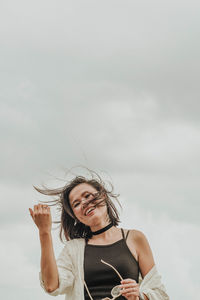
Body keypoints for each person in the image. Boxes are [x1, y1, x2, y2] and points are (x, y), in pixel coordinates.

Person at [29, 173, 170, 300]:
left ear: (102, 195)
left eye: (87, 195)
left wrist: (139, 295)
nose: (84, 203)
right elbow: (51, 285)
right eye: (76, 204)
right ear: (75, 216)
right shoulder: (73, 250)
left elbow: (160, 294)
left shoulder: (135, 238)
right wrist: (44, 232)